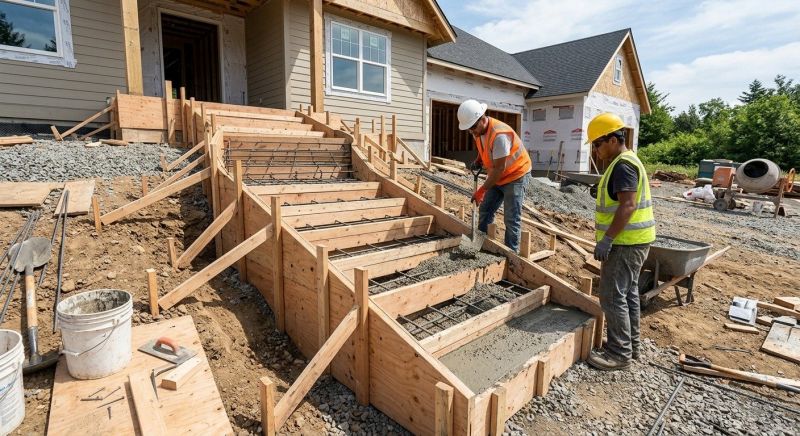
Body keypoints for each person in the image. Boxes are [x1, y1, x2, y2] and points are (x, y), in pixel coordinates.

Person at [585, 112, 656, 371]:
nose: (595, 150)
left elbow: (628, 206)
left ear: (613, 140)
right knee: (628, 294)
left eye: (597, 144)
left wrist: (607, 240)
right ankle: (631, 346)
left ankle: (618, 353)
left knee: (612, 296)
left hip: (625, 243)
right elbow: (621, 198)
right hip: (634, 241)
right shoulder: (625, 162)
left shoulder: (623, 165)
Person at [457, 99, 532, 252]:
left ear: (482, 118)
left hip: (516, 175)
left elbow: (499, 169)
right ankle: (479, 246)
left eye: (473, 128)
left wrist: (481, 191)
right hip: (498, 175)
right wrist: (479, 160)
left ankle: (511, 256)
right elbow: (484, 147)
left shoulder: (500, 136)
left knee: (511, 218)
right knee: (485, 210)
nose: (472, 131)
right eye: (469, 129)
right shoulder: (477, 131)